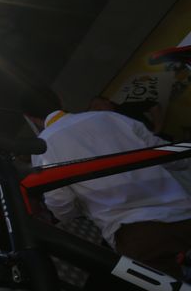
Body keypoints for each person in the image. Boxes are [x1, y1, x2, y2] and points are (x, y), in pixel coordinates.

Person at [23, 87, 191, 278]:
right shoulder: (109, 118)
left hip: (135, 234)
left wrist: (79, 210)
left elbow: (59, 203)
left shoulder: (43, 146)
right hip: (183, 211)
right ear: (61, 100)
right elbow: (170, 155)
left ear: (30, 117)